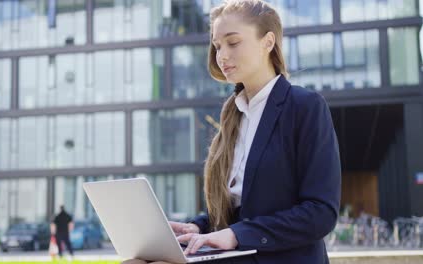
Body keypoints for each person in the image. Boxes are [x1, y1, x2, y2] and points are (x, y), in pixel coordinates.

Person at [124, 0, 341, 263]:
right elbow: (238, 209)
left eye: (233, 42)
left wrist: (237, 235)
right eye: (217, 46)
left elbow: (320, 213)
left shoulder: (304, 107)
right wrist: (199, 227)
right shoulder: (233, 116)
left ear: (268, 42)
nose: (222, 55)